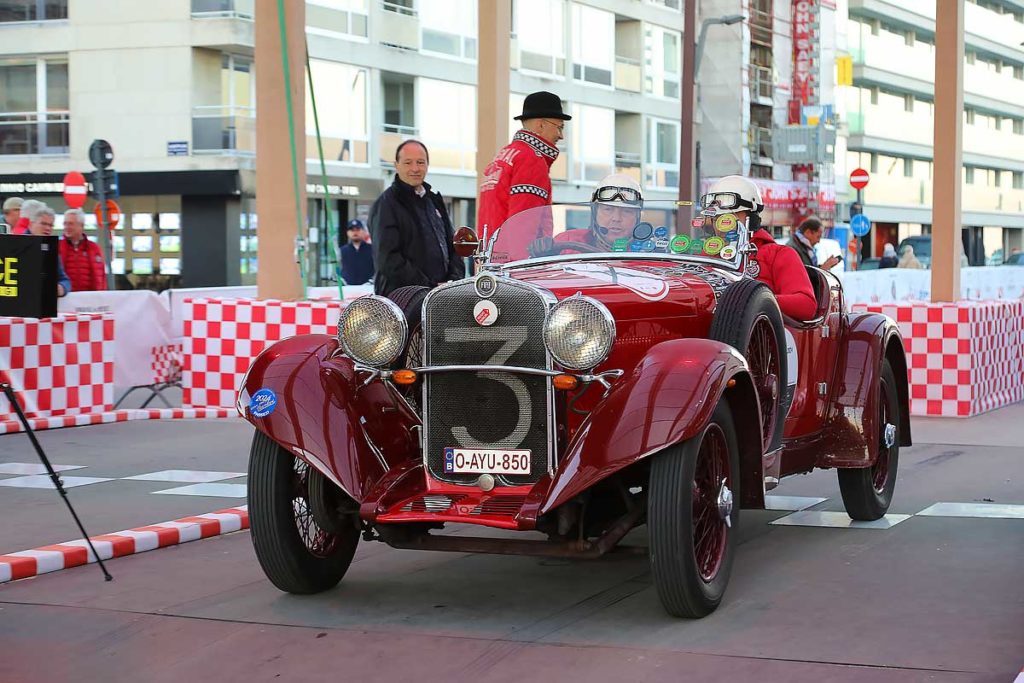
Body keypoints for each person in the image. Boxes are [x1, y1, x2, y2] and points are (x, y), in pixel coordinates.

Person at [703, 175, 816, 320]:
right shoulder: (705, 256)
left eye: (730, 215)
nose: (722, 223)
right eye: (717, 218)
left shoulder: (779, 254)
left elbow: (806, 305)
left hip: (758, 337)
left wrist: (753, 300)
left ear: (752, 217)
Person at [370, 139, 465, 296]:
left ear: (427, 165)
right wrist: (428, 286)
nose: (415, 168)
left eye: (420, 162)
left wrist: (452, 282)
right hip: (402, 300)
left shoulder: (434, 200)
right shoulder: (386, 205)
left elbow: (453, 246)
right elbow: (388, 260)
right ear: (396, 165)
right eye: (408, 163)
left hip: (440, 298)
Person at [477, 91, 570, 247]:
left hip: (491, 258)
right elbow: (522, 226)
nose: (561, 135)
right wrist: (524, 264)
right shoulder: (532, 159)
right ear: (541, 124)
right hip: (513, 265)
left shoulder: (502, 156)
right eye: (559, 127)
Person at [527, 173, 643, 257]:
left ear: (637, 217)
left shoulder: (649, 252)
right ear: (594, 212)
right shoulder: (566, 242)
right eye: (608, 209)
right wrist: (543, 257)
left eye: (627, 211)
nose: (616, 218)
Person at [23, 202, 72, 297]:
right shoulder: (16, 244)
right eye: (43, 224)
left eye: (50, 225)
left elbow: (64, 279)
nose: (47, 228)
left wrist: (62, 288)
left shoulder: (51, 248)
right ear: (31, 224)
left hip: (42, 305)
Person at [59, 208, 107, 291]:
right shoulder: (57, 247)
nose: (67, 227)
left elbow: (102, 277)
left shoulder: (94, 248)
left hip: (90, 300)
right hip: (65, 299)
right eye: (65, 224)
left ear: (81, 226)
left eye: (70, 224)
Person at [340, 218, 374, 285]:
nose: (355, 232)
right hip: (347, 290)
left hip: (368, 289)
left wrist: (371, 281)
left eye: (358, 229)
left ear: (363, 231)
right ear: (347, 233)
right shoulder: (342, 251)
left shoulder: (373, 249)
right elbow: (337, 271)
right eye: (352, 230)